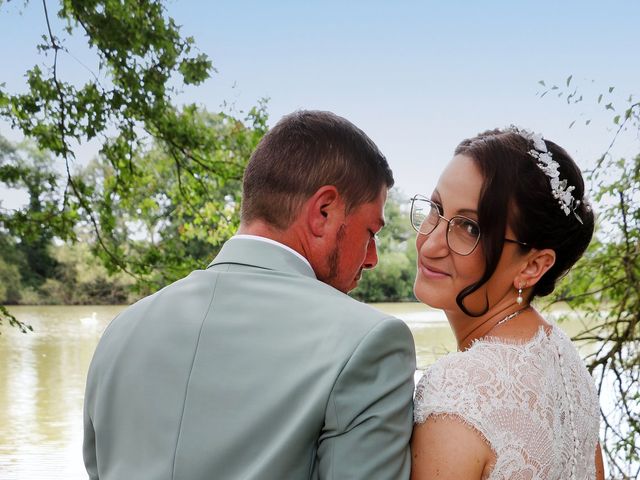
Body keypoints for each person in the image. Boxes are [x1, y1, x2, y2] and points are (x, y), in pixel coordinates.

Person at [82, 110, 416, 480]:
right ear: (323, 211)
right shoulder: (368, 342)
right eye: (371, 232)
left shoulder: (121, 330)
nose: (372, 258)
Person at [410, 127, 605, 480]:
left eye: (469, 228)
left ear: (533, 266)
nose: (430, 243)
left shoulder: (458, 390)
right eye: (436, 208)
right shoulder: (565, 359)